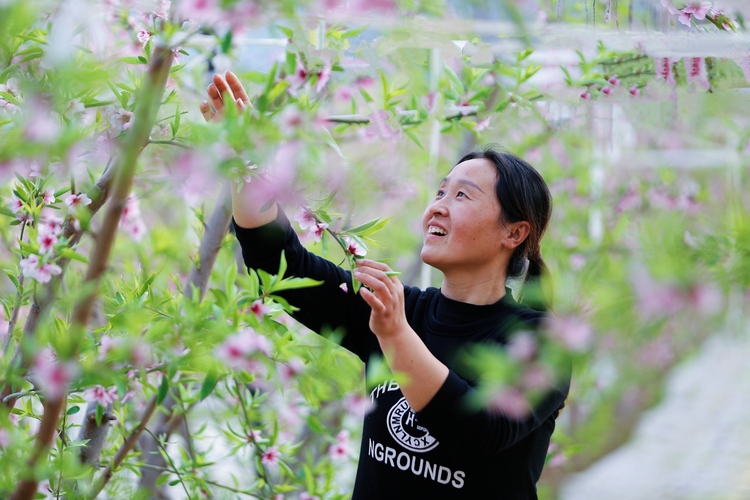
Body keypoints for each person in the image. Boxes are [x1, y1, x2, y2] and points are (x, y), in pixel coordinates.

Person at [201, 72, 569, 499]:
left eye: (462, 197)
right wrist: (244, 162)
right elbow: (278, 265)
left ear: (514, 233)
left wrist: (395, 336)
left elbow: (475, 433)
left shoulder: (541, 343)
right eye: (440, 192)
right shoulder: (397, 311)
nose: (437, 208)